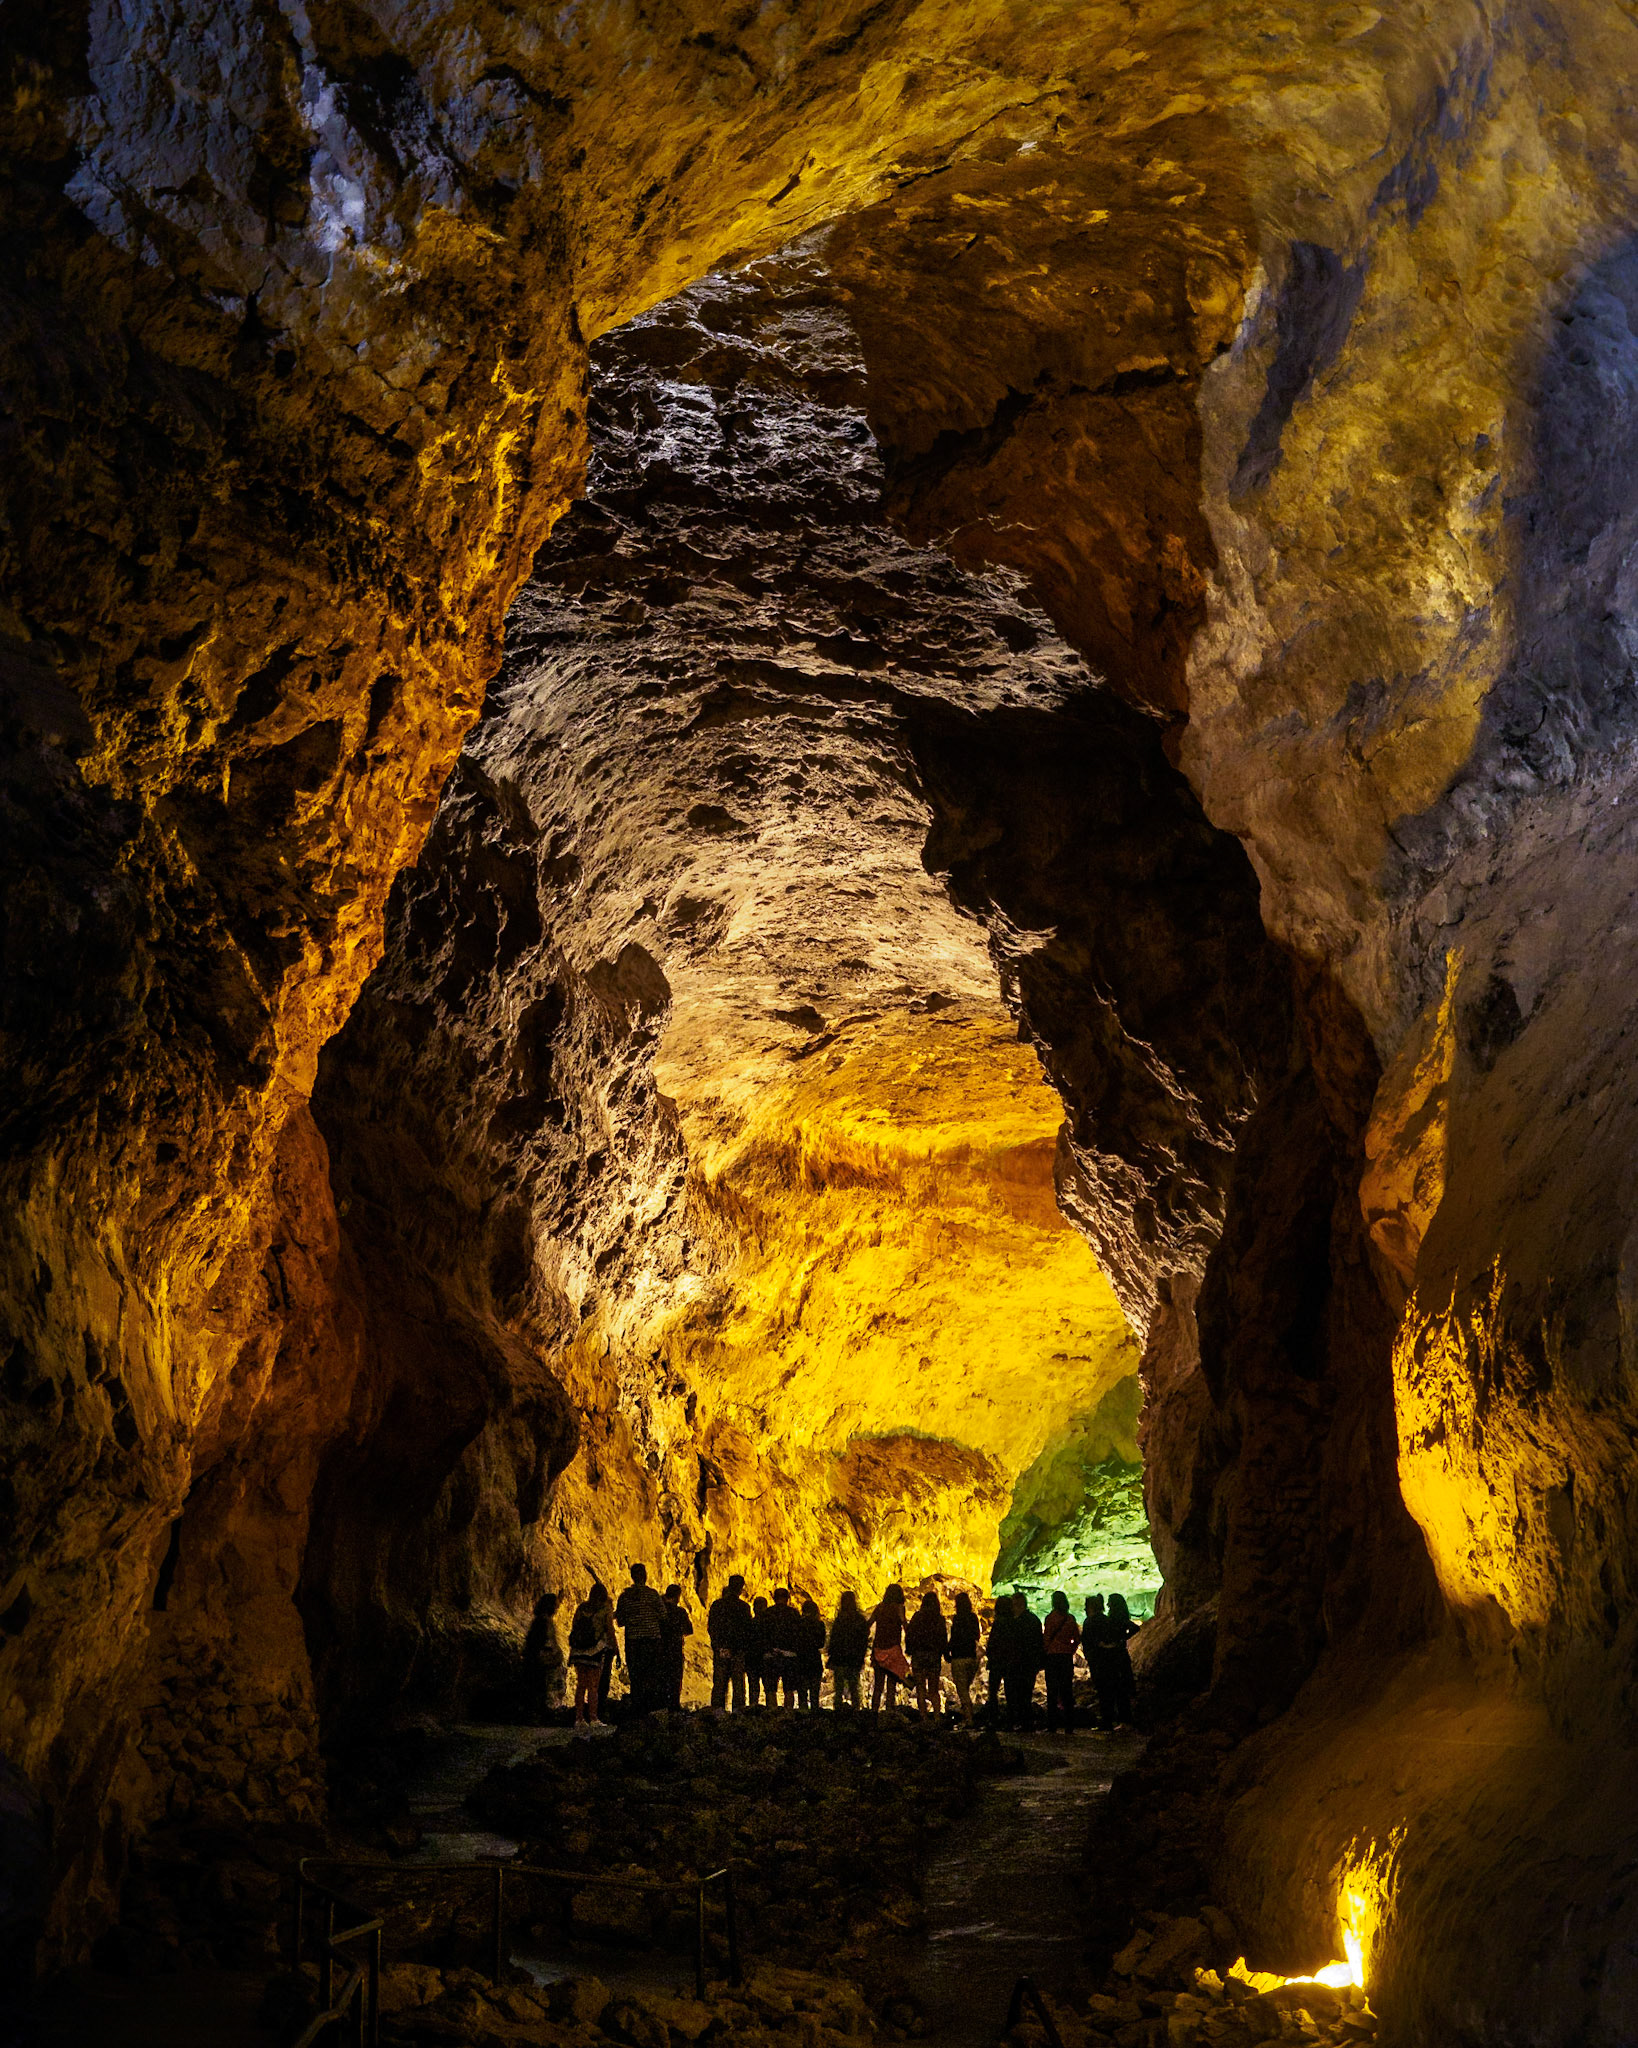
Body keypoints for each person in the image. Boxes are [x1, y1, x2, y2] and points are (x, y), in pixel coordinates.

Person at [614, 1563, 668, 1714]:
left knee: (636, 1675)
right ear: (645, 1576)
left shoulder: (625, 1597)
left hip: (633, 1642)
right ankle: (651, 1708)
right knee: (652, 1675)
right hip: (652, 1641)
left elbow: (620, 1621)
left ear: (632, 1576)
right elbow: (663, 1615)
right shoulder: (652, 1594)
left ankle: (638, 1708)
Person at [567, 1580, 615, 1732]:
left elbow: (574, 1625)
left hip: (578, 1650)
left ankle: (579, 1718)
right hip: (594, 1651)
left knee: (581, 1685)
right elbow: (609, 1630)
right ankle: (593, 1717)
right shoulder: (605, 1609)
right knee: (593, 1686)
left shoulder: (582, 1607)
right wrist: (615, 1648)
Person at [708, 1572, 751, 1712]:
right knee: (738, 1684)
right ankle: (738, 1714)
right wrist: (741, 1648)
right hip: (737, 1651)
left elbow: (712, 1627)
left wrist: (718, 1646)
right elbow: (746, 1630)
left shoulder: (717, 1605)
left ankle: (716, 1713)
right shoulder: (743, 1607)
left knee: (720, 1683)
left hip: (722, 1649)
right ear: (740, 1588)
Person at [904, 1590, 948, 1721]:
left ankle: (923, 1716)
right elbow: (943, 1638)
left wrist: (909, 1650)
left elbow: (910, 1634)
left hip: (919, 1656)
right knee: (934, 1690)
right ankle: (937, 1716)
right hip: (934, 1656)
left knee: (921, 1689)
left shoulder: (917, 1617)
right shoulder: (939, 1619)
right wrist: (945, 1654)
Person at [1041, 1590, 1080, 1734]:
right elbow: (1076, 1637)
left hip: (1052, 1657)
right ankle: (1069, 1725)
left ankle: (1052, 1725)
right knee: (1066, 1691)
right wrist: (1071, 1649)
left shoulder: (1050, 1618)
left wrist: (1046, 1650)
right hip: (1065, 1657)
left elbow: (1046, 1638)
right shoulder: (1070, 1619)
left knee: (1052, 1691)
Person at [522, 1590, 565, 1716]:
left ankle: (536, 1713)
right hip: (539, 1661)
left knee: (539, 1688)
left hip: (539, 1660)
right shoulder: (543, 1622)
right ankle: (534, 1714)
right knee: (537, 1688)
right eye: (555, 1605)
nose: (556, 1609)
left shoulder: (543, 1620)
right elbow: (539, 1641)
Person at [1006, 1591, 1043, 1732]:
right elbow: (1039, 1642)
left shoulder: (1016, 1622)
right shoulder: (1034, 1620)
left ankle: (1020, 1722)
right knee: (1025, 1694)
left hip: (1018, 1663)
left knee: (1016, 1693)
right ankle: (1026, 1722)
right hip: (1029, 1663)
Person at [870, 1582, 910, 1711]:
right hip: (893, 1650)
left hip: (878, 1649)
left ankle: (874, 1713)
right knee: (891, 1685)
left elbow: (869, 1623)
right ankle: (889, 1712)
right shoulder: (899, 1608)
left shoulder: (880, 1608)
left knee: (878, 1685)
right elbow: (904, 1625)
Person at [827, 1590, 869, 1710]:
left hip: (839, 1658)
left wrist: (832, 1656)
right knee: (854, 1686)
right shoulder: (859, 1619)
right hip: (854, 1659)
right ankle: (856, 1709)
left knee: (839, 1688)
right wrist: (861, 1656)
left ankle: (838, 1710)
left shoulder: (839, 1620)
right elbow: (863, 1639)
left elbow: (834, 1639)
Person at [947, 1591, 981, 1727]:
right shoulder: (973, 1618)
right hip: (971, 1657)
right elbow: (977, 1636)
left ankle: (969, 1719)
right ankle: (966, 1715)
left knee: (962, 1690)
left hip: (959, 1657)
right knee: (965, 1687)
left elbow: (954, 1638)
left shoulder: (957, 1619)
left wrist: (947, 1651)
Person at [1082, 1594, 1116, 1731]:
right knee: (1108, 1690)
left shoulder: (1090, 1622)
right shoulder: (1106, 1620)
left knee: (1102, 1691)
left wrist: (1089, 1654)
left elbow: (1086, 1641)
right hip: (1108, 1660)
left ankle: (1106, 1721)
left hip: (1097, 1661)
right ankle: (1109, 1719)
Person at [763, 1587, 802, 1705]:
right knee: (789, 1689)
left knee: (770, 1689)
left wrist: (769, 1649)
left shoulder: (767, 1613)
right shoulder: (794, 1613)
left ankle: (772, 1714)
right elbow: (798, 1634)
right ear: (787, 1599)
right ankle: (788, 1714)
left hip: (771, 1655)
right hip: (789, 1656)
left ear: (774, 1598)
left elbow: (763, 1634)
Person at [1105, 1593, 1139, 1728]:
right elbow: (1135, 1628)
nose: (1107, 1604)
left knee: (1119, 1687)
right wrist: (1124, 1637)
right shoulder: (1122, 1616)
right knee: (1122, 1686)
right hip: (1121, 1653)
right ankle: (1124, 1718)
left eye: (1109, 1602)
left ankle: (1124, 1719)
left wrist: (1119, 1640)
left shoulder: (1115, 1617)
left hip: (1116, 1654)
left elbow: (1136, 1628)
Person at [984, 1595, 1017, 1729]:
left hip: (997, 1662)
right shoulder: (1014, 1622)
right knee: (1010, 1692)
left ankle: (994, 1719)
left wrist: (990, 1655)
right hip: (1010, 1661)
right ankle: (1010, 1720)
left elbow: (993, 1641)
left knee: (993, 1692)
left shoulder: (999, 1623)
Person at [661, 1584, 693, 1710]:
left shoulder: (661, 1611)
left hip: (661, 1649)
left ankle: (662, 1705)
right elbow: (689, 1629)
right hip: (675, 1649)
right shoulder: (680, 1612)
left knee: (662, 1678)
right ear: (677, 1596)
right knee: (675, 1678)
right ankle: (674, 1705)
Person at [797, 1597, 827, 1710]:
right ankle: (815, 1716)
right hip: (814, 1659)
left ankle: (803, 1716)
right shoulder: (819, 1624)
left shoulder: (798, 1624)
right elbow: (821, 1644)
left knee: (802, 1693)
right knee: (814, 1693)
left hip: (801, 1660)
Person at [746, 1596, 770, 1706]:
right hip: (766, 1658)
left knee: (753, 1687)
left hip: (752, 1659)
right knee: (769, 1688)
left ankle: (753, 1708)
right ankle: (772, 1711)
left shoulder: (750, 1624)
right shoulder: (770, 1624)